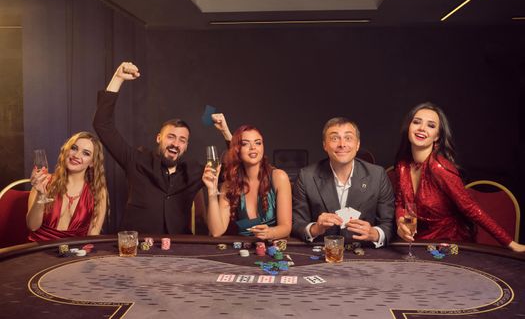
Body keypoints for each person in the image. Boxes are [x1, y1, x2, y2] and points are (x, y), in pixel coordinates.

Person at [93, 62, 232, 234]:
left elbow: (234, 169)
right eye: (171, 137)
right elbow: (102, 125)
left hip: (178, 250)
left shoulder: (195, 172)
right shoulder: (136, 160)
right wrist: (118, 78)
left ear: (186, 146)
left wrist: (226, 132)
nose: (175, 143)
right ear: (159, 138)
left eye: (182, 140)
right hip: (136, 249)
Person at [394, 102, 525, 252]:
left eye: (431, 125)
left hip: (448, 245)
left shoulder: (440, 168)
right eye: (417, 122)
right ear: (409, 127)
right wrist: (400, 221)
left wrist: (511, 244)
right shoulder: (402, 166)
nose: (422, 128)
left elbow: (471, 209)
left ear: (437, 136)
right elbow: (400, 203)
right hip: (419, 243)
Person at [292, 117, 395, 246]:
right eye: (335, 138)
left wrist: (374, 233)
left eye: (348, 138)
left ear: (357, 144)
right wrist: (315, 229)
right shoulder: (306, 176)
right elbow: (296, 224)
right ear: (324, 145)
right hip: (323, 253)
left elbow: (389, 224)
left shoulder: (378, 175)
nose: (342, 144)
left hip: (365, 254)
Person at [203, 125, 292, 239]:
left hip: (274, 249)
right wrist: (212, 191)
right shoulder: (229, 185)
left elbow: (286, 227)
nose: (253, 147)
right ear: (237, 150)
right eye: (245, 143)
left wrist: (270, 232)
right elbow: (217, 231)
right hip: (242, 251)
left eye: (258, 143)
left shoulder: (279, 177)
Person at [27, 132, 108, 241]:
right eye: (74, 148)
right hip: (40, 251)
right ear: (66, 150)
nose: (76, 155)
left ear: (92, 163)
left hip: (75, 254)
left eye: (86, 153)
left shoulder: (97, 191)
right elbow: (32, 226)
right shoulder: (44, 182)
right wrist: (41, 194)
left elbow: (92, 236)